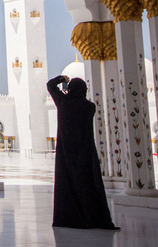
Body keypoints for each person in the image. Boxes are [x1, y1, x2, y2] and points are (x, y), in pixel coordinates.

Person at [47, 75, 119, 230]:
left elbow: (50, 86)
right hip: (86, 155)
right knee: (88, 185)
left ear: (70, 89)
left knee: (68, 185)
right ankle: (94, 217)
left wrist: (61, 80)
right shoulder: (89, 107)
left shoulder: (63, 103)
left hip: (67, 155)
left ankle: (70, 218)